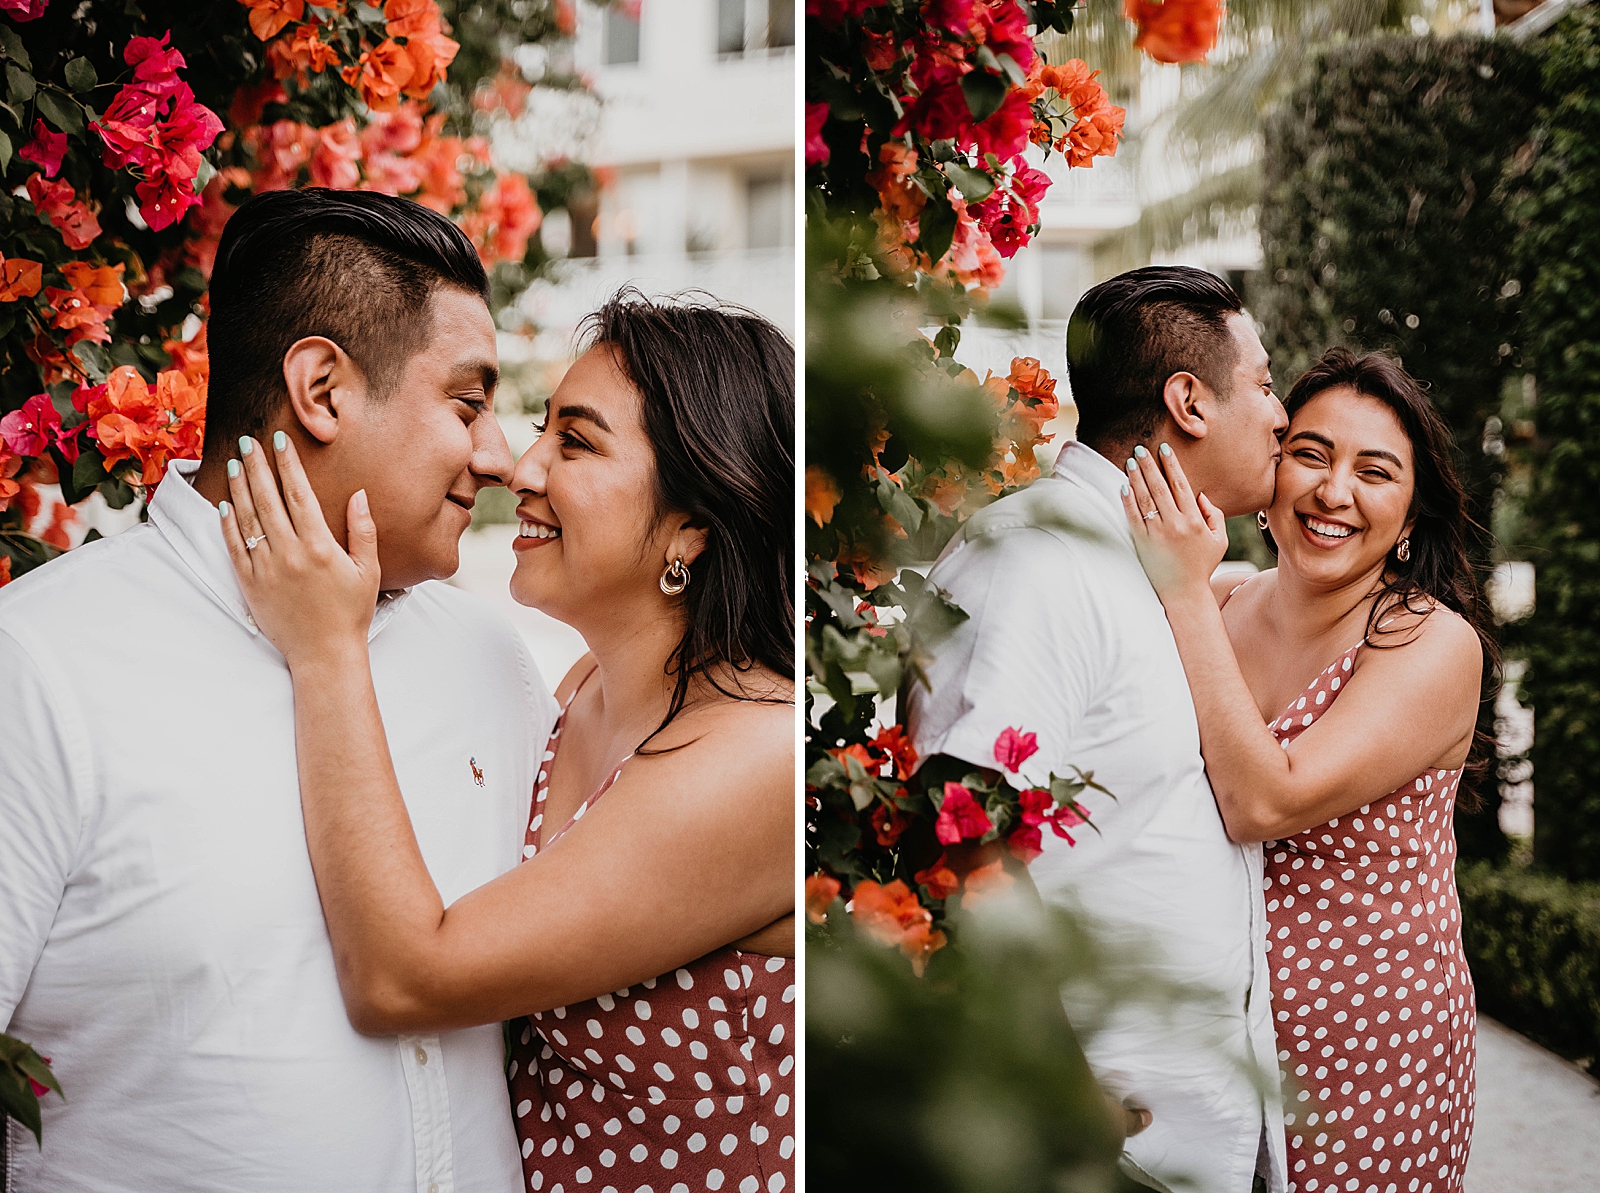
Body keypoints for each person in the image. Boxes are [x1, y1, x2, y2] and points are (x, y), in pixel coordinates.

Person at [0, 188, 553, 1190]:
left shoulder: (492, 658)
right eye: (467, 402)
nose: (499, 456)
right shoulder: (38, 669)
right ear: (323, 389)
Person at [215, 291, 797, 1193]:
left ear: (692, 526)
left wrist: (327, 648)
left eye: (577, 441)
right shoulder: (584, 692)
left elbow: (407, 979)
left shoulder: (754, 761)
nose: (520, 468)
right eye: (543, 429)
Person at [906, 265, 1291, 1193]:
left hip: (1197, 1139)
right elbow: (959, 826)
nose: (1283, 416)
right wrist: (1064, 1101)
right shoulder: (1041, 558)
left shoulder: (1154, 563)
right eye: (1268, 383)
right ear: (1189, 401)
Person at [1118, 348, 1484, 1192]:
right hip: (1208, 1046)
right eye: (1311, 453)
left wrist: (1179, 591)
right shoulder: (1223, 604)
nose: (1333, 492)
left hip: (1369, 1051)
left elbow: (1265, 799)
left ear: (1412, 514)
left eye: (1375, 471)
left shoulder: (1429, 641)